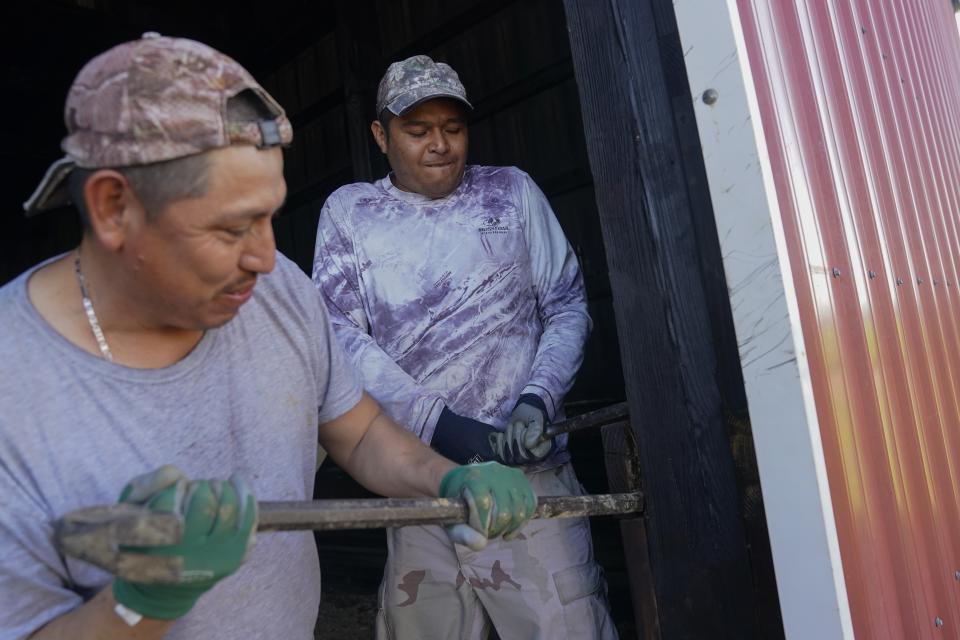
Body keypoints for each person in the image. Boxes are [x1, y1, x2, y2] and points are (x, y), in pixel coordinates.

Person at [0, 35, 536, 640]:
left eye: (269, 216)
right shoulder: (15, 383)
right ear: (112, 207)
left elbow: (357, 434)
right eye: (232, 227)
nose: (264, 255)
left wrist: (446, 480)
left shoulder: (278, 291)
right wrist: (143, 600)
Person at [312, 55, 617, 639]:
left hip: (530, 477)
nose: (440, 145)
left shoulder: (511, 192)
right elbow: (341, 338)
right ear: (381, 135)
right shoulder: (352, 212)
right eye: (417, 130)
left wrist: (536, 400)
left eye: (452, 128)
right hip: (425, 480)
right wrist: (440, 427)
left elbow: (567, 304)